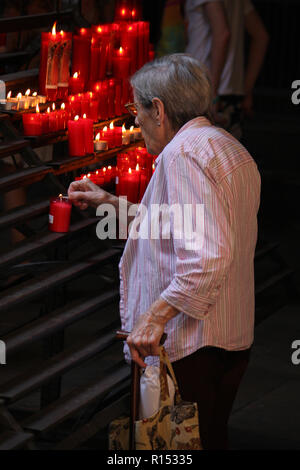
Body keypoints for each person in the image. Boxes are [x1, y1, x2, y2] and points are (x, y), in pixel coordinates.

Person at [68, 54, 261, 449]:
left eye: (137, 109)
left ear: (158, 108)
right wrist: (110, 202)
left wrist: (154, 318)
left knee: (176, 449)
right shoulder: (227, 146)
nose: (135, 121)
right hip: (230, 334)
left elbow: (206, 255)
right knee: (208, 438)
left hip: (192, 344)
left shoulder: (181, 156)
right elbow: (185, 224)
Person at [185, 0, 269, 138]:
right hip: (231, 94)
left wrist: (212, 96)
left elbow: (222, 33)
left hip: (205, 93)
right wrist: (246, 89)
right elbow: (261, 36)